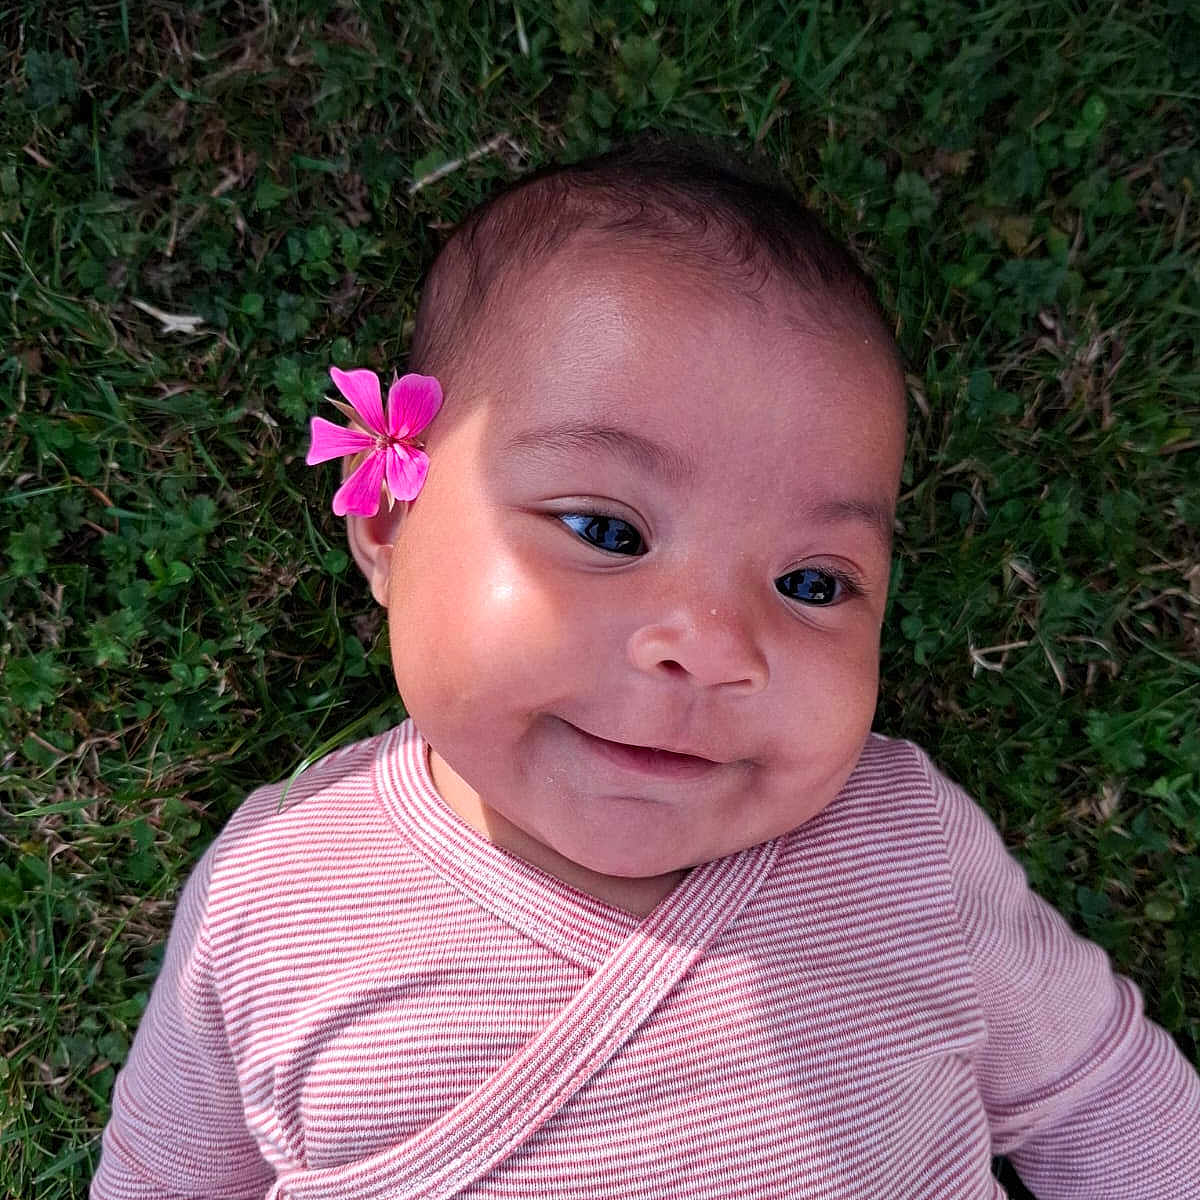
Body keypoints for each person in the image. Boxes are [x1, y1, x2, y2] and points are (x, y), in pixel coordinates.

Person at [92, 137, 1200, 1199]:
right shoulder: (281, 889)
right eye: (608, 531)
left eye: (813, 584)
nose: (712, 646)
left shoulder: (903, 845)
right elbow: (165, 1178)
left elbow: (1103, 1104)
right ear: (386, 519)